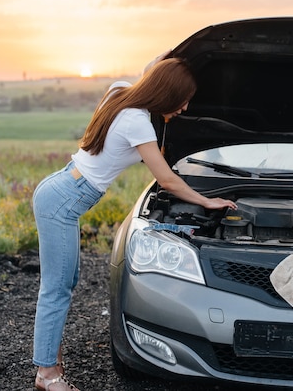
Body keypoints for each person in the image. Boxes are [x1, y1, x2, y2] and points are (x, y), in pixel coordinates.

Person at [31, 51, 237, 391]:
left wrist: (174, 57)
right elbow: (167, 180)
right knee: (55, 290)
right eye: (183, 101)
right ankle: (47, 375)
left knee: (65, 284)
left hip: (62, 186)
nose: (185, 109)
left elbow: (150, 71)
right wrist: (206, 201)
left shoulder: (120, 91)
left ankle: (49, 355)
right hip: (62, 201)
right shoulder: (138, 123)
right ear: (167, 94)